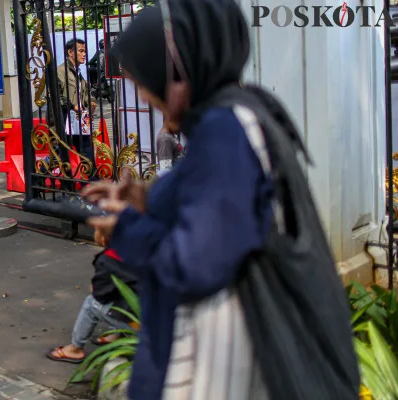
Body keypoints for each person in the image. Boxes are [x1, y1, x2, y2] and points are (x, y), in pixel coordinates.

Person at [84, 1, 359, 399]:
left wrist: (127, 227)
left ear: (179, 73)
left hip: (222, 367)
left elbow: (192, 265)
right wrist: (146, 198)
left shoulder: (224, 130)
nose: (143, 95)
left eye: (144, 79)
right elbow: (213, 196)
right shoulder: (240, 110)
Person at [47, 248, 137, 363]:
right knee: (126, 295)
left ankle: (75, 349)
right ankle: (117, 335)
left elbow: (99, 293)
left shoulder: (114, 257)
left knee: (91, 303)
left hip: (147, 331)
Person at [57, 39, 98, 167]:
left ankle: (93, 181)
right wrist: (72, 106)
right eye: (81, 51)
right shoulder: (60, 71)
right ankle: (40, 175)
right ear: (70, 52)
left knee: (87, 151)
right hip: (65, 119)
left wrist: (91, 101)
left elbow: (85, 92)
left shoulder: (79, 73)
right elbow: (54, 95)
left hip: (80, 118)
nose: (84, 54)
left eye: (85, 51)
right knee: (60, 154)